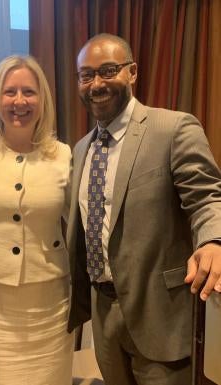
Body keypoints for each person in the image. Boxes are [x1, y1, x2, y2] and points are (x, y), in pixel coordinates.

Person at [67, 33, 221, 385]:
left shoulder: (174, 128)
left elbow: (207, 197)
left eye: (108, 71)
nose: (96, 84)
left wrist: (214, 241)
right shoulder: (80, 150)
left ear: (132, 72)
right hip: (103, 314)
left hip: (161, 315)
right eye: (86, 75)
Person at [0, 55, 74, 385]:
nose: (19, 101)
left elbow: (79, 222)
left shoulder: (61, 154)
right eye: (10, 92)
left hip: (51, 300)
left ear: (42, 100)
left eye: (29, 92)